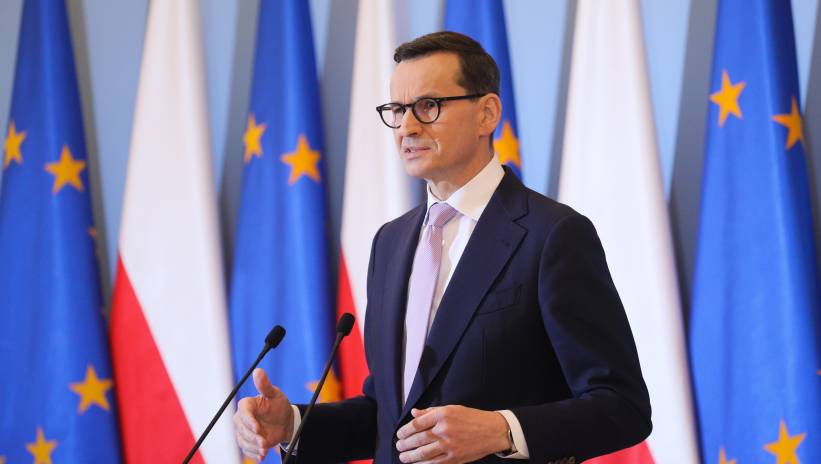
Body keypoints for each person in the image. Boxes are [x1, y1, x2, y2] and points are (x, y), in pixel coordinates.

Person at [233, 31, 651, 464]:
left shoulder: (552, 235)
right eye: (397, 110)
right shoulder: (390, 242)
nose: (407, 127)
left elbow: (623, 406)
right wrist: (294, 425)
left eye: (428, 106)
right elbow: (389, 416)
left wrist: (502, 430)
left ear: (487, 114)